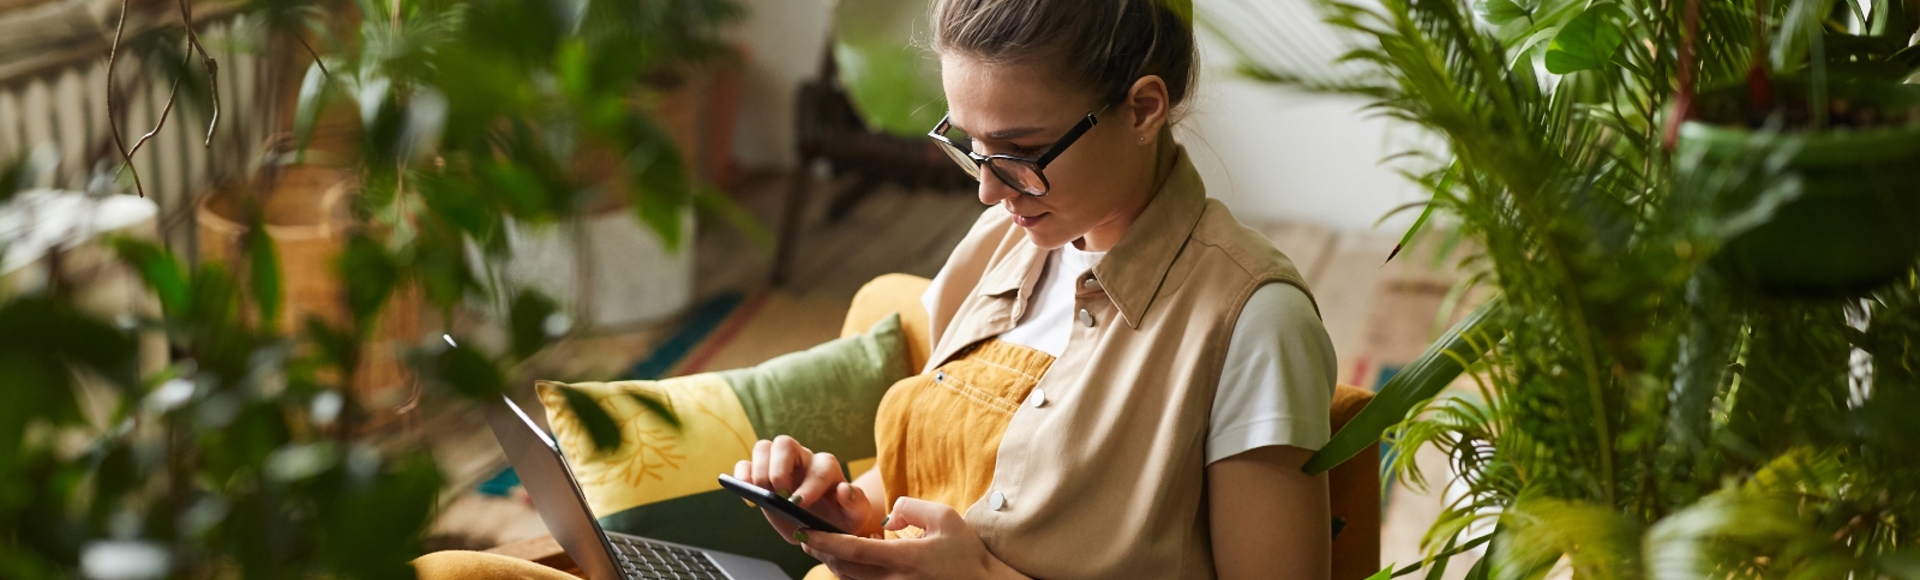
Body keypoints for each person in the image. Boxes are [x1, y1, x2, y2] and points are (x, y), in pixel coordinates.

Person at [733, 0, 1337, 577]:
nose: (988, 192)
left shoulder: (1253, 321)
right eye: (970, 146)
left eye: (1022, 150)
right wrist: (850, 514)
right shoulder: (996, 245)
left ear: (1143, 109)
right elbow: (940, 480)